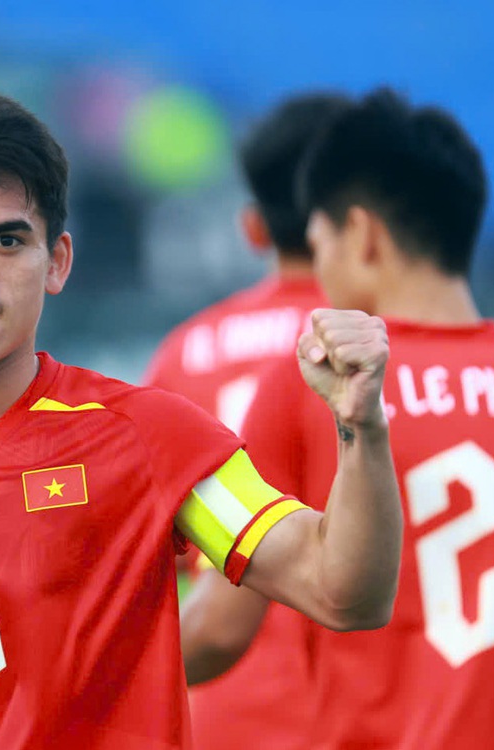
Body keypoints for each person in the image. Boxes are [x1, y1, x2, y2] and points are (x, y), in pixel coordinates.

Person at [0, 87, 402, 750]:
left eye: (6, 240)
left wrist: (361, 427)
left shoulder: (153, 438)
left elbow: (342, 591)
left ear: (57, 261)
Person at [181, 89, 494, 749]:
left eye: (320, 241)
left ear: (362, 235)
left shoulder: (309, 388)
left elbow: (220, 629)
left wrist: (70, 673)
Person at [142, 91, 347, 750]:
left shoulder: (183, 354)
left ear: (253, 228)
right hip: (378, 709)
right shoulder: (380, 346)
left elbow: (148, 555)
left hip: (222, 708)